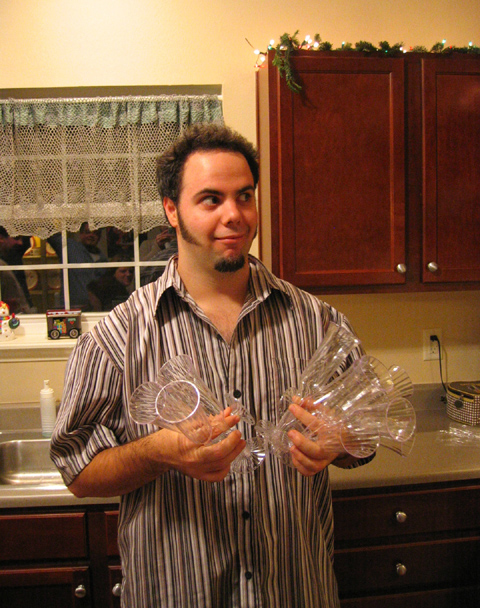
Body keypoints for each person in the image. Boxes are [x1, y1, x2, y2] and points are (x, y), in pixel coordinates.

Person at [50, 124, 372, 608]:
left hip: (294, 590)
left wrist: (341, 442)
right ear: (171, 210)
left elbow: (365, 437)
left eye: (245, 196)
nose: (234, 215)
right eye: (211, 199)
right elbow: (77, 471)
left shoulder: (317, 322)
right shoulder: (118, 337)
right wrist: (158, 453)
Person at [48, 223, 108, 310]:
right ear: (81, 234)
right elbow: (50, 232)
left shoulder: (103, 259)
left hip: (96, 310)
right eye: (87, 232)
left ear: (99, 237)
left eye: (95, 233)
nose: (91, 235)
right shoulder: (70, 247)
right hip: (72, 309)